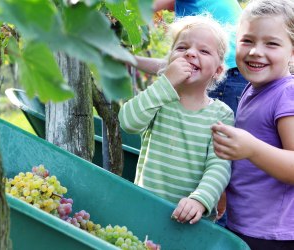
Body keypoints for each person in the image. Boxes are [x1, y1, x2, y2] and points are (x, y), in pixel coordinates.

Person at [119, 15, 234, 225]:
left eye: (204, 51)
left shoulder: (221, 114)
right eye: (182, 48)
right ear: (169, 60)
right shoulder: (160, 98)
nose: (190, 53)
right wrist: (166, 83)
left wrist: (200, 200)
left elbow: (219, 167)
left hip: (191, 221)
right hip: (146, 209)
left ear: (218, 71)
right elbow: (128, 122)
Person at [211, 0, 294, 249]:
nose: (256, 51)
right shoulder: (254, 88)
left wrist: (253, 149)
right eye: (247, 40)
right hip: (245, 225)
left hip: (273, 235)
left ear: (292, 50)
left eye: (271, 43)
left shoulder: (287, 94)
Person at [135, 0, 248, 115]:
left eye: (204, 51)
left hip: (227, 78)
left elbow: (141, 7)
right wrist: (128, 58)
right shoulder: (197, 13)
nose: (162, 12)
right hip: (237, 75)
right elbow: (172, 67)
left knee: (212, 130)